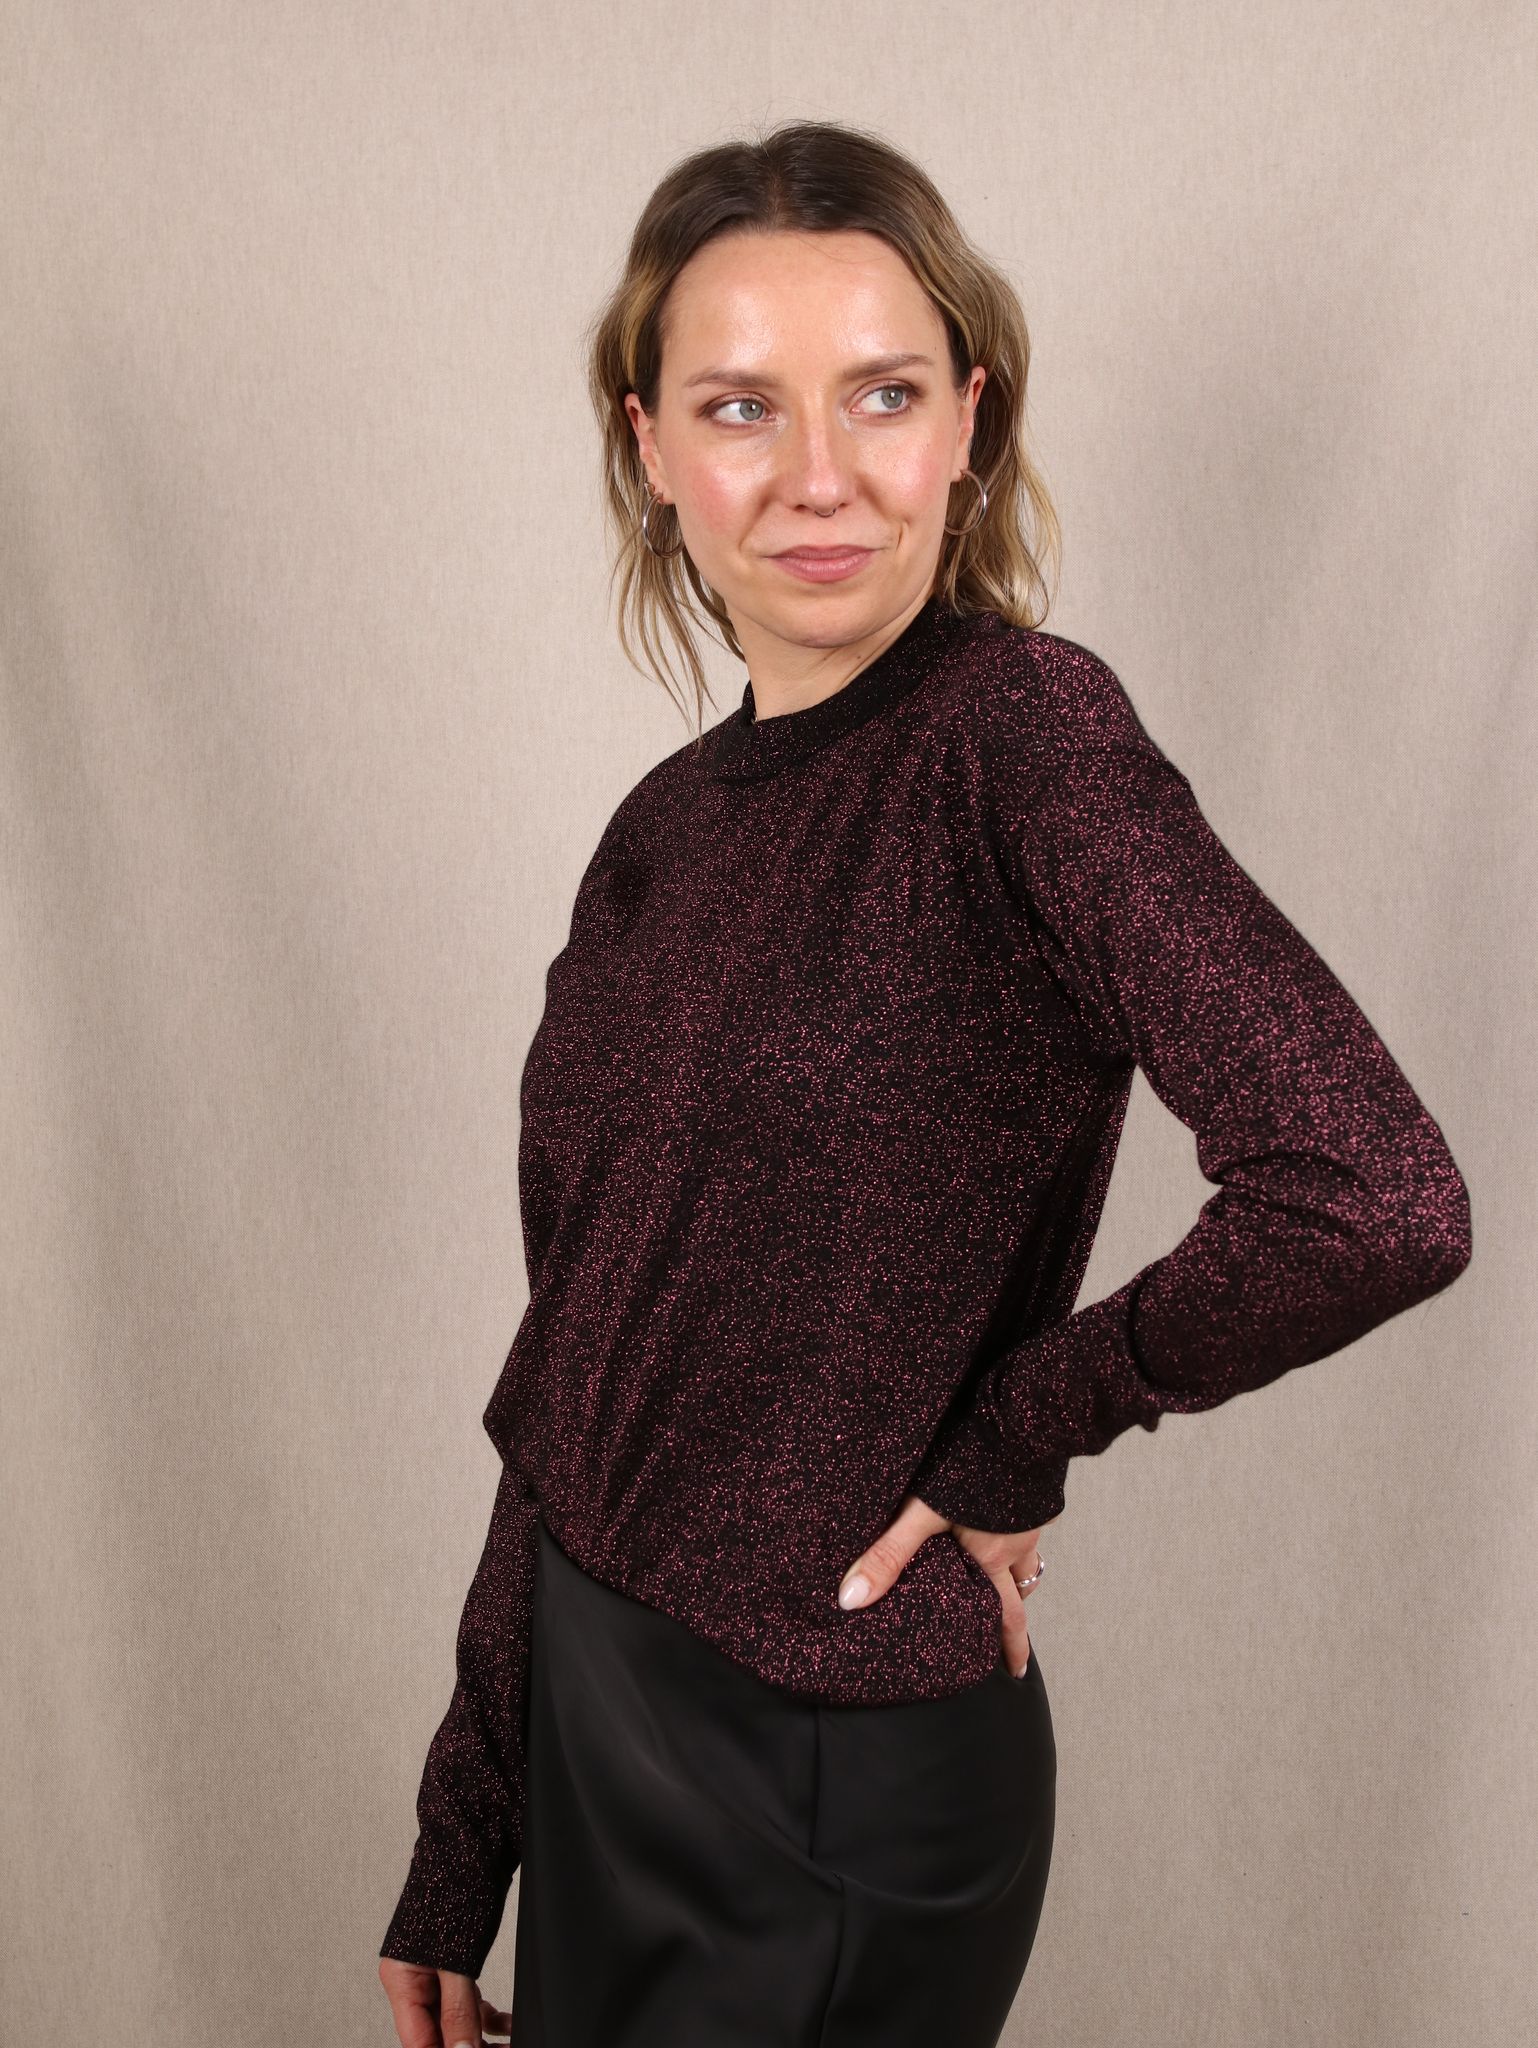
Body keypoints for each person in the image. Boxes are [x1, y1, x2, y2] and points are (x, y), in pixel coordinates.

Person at [378, 119, 1473, 2048]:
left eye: (882, 394)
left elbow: (1372, 1194)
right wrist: (467, 1828)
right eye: (739, 407)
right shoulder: (658, 835)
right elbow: (584, 1354)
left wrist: (1015, 1428)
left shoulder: (1018, 742)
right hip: (595, 1714)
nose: (818, 474)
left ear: (968, 421)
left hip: (825, 1772)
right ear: (649, 446)